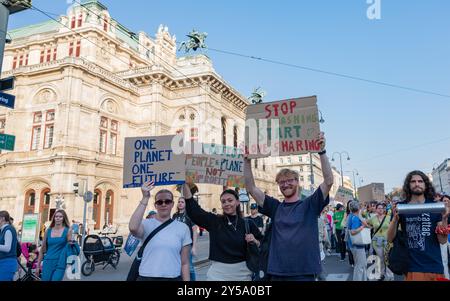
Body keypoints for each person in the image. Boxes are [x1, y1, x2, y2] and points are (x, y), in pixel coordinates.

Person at [244, 132, 333, 281]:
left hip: (304, 272)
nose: (286, 184)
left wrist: (322, 151)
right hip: (277, 273)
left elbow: (329, 181)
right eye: (281, 182)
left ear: (297, 182)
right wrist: (246, 161)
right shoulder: (275, 207)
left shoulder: (310, 205)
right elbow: (251, 187)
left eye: (290, 180)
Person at [183, 183, 262, 281]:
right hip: (218, 275)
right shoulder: (215, 221)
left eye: (230, 200)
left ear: (237, 202)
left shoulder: (248, 224)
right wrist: (185, 185)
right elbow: (194, 211)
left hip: (243, 274)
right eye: (223, 202)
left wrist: (254, 241)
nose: (227, 204)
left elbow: (262, 244)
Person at [387, 171, 450, 281]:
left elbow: (442, 240)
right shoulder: (401, 207)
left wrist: (444, 219)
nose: (417, 184)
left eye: (420, 181)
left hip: (434, 266)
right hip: (413, 267)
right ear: (408, 185)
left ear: (425, 184)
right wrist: (394, 220)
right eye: (413, 181)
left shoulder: (434, 206)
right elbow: (390, 238)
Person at [129, 181, 191, 281]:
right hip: (146, 277)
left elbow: (185, 263)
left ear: (172, 204)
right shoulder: (146, 224)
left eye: (167, 201)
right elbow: (132, 227)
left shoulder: (183, 228)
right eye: (159, 202)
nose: (163, 204)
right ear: (155, 205)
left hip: (172, 277)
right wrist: (145, 197)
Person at [36, 209, 73, 281]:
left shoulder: (68, 230)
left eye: (60, 216)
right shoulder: (48, 231)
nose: (58, 218)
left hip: (60, 262)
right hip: (48, 261)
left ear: (63, 218)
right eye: (56, 216)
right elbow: (42, 250)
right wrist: (38, 266)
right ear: (54, 218)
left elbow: (69, 247)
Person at [173, 197, 199, 281]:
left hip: (187, 245)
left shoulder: (189, 215)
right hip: (177, 246)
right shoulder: (175, 216)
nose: (180, 203)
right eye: (179, 202)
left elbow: (195, 230)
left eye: (182, 202)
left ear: (185, 204)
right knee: (179, 266)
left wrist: (194, 247)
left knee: (189, 266)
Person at [367, 202, 394, 281]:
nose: (380, 210)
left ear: (384, 209)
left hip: (387, 241)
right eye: (379, 208)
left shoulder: (388, 217)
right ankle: (382, 274)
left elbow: (394, 226)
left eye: (382, 208)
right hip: (376, 242)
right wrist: (369, 227)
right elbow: (365, 222)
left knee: (387, 258)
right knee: (381, 258)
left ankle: (389, 275)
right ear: (376, 210)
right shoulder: (373, 218)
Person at [347, 201, 369, 281]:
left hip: (353, 245)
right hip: (357, 245)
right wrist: (362, 227)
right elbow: (352, 231)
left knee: (359, 265)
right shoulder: (355, 218)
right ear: (358, 208)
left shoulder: (351, 216)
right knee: (361, 266)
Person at [0, 211, 18, 281]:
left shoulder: (9, 229)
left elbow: (7, 248)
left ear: (3, 218)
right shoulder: (3, 230)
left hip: (7, 263)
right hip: (4, 262)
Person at [439, 194, 450, 279]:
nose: (446, 202)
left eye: (447, 201)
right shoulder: (439, 212)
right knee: (444, 260)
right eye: (444, 201)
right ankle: (446, 277)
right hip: (443, 237)